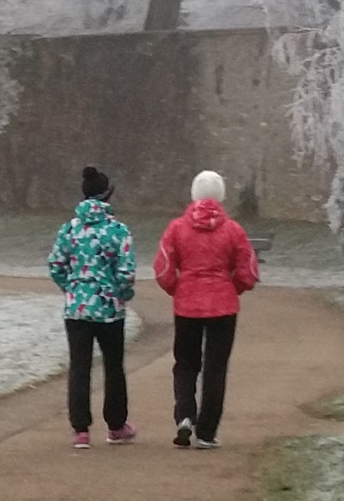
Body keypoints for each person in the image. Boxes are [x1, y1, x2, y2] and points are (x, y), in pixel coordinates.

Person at [153, 170, 259, 450]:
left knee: (186, 364)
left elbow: (162, 268)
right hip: (223, 305)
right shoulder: (233, 230)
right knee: (216, 368)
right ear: (221, 196)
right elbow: (248, 271)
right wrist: (232, 286)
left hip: (187, 305)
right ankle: (207, 432)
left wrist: (177, 287)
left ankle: (185, 415)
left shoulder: (176, 228)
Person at [48, 166, 137, 449]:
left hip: (77, 308)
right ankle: (116, 425)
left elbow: (55, 265)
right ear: (107, 195)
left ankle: (80, 430)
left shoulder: (69, 229)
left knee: (80, 367)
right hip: (110, 309)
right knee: (113, 367)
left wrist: (70, 287)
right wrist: (122, 294)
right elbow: (125, 272)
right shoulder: (117, 231)